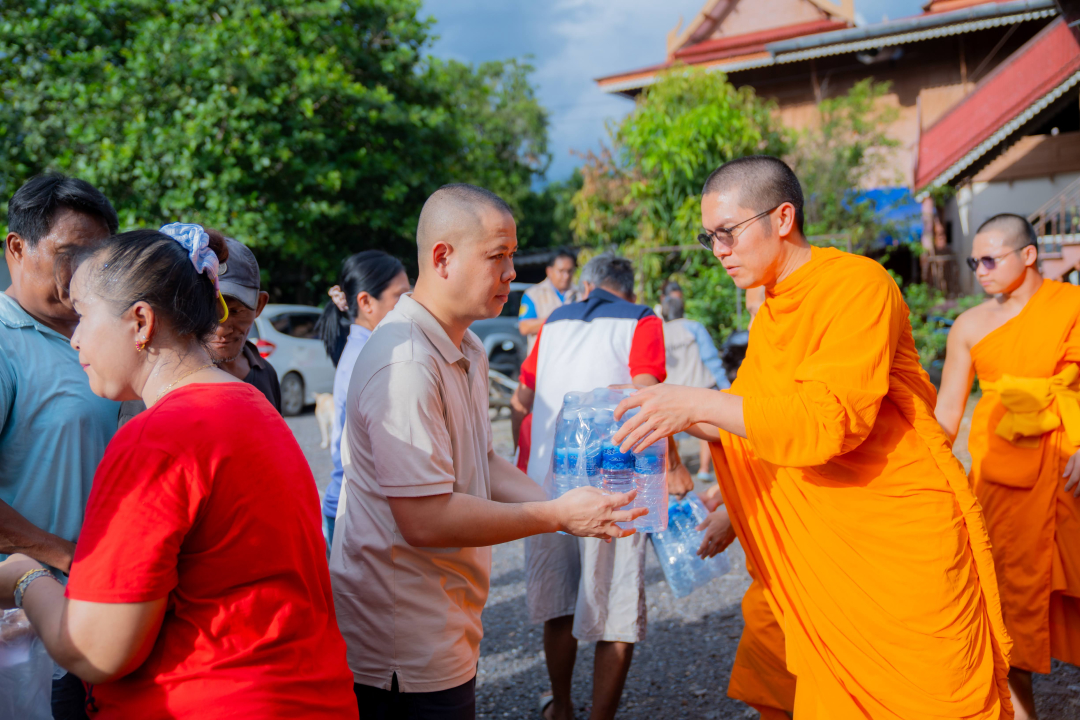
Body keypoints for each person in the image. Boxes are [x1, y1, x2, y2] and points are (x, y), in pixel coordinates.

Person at [613, 156, 1012, 718]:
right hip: (814, 543)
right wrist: (657, 409)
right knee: (789, 680)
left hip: (891, 540)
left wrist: (693, 403)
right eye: (711, 238)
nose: (719, 249)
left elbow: (826, 422)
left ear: (781, 218)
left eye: (728, 232)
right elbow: (755, 418)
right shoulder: (771, 311)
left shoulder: (857, 286)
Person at [0, 223, 357, 718]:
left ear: (141, 322)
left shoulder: (156, 438)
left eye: (82, 317)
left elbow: (96, 651)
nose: (75, 341)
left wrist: (24, 575)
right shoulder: (251, 406)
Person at [330, 184, 644, 720]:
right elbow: (425, 520)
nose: (512, 273)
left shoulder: (466, 345)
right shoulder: (405, 361)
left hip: (447, 618)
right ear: (442, 257)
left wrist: (571, 507)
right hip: (403, 635)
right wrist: (553, 515)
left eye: (513, 256)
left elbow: (484, 461)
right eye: (497, 256)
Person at [508, 254, 669, 720]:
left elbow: (522, 399)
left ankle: (561, 708)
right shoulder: (642, 319)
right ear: (629, 290)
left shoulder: (554, 321)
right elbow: (647, 399)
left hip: (545, 486)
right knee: (614, 612)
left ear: (586, 289)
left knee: (557, 603)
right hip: (614, 489)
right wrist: (671, 469)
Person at [935, 213, 1080, 720]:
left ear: (1029, 256)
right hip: (1003, 481)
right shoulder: (970, 325)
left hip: (1070, 468)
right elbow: (947, 413)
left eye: (991, 258)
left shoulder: (1072, 306)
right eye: (975, 260)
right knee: (1005, 605)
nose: (980, 269)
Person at [0, 173, 121, 718]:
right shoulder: (5, 343)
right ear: (17, 248)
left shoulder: (98, 335)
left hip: (98, 608)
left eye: (99, 256)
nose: (84, 274)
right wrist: (63, 557)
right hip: (21, 624)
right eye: (69, 254)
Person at [117, 233, 281, 425]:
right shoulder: (155, 385)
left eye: (235, 311)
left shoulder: (265, 373)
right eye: (207, 310)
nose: (220, 327)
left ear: (259, 305)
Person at [316, 250, 410, 551]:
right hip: (359, 515)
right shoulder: (370, 358)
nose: (409, 306)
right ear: (366, 302)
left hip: (351, 507)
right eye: (399, 297)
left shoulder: (364, 348)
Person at [660, 291, 729, 481]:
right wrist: (725, 387)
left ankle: (676, 467)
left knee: (673, 431)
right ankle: (704, 469)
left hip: (672, 391)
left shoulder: (660, 331)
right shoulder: (693, 327)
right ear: (682, 310)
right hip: (700, 387)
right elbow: (710, 358)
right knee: (705, 431)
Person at [518, 248, 577, 352]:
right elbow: (525, 327)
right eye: (561, 271)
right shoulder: (533, 294)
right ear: (549, 271)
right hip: (542, 359)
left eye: (570, 271)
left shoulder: (581, 293)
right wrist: (558, 318)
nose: (566, 276)